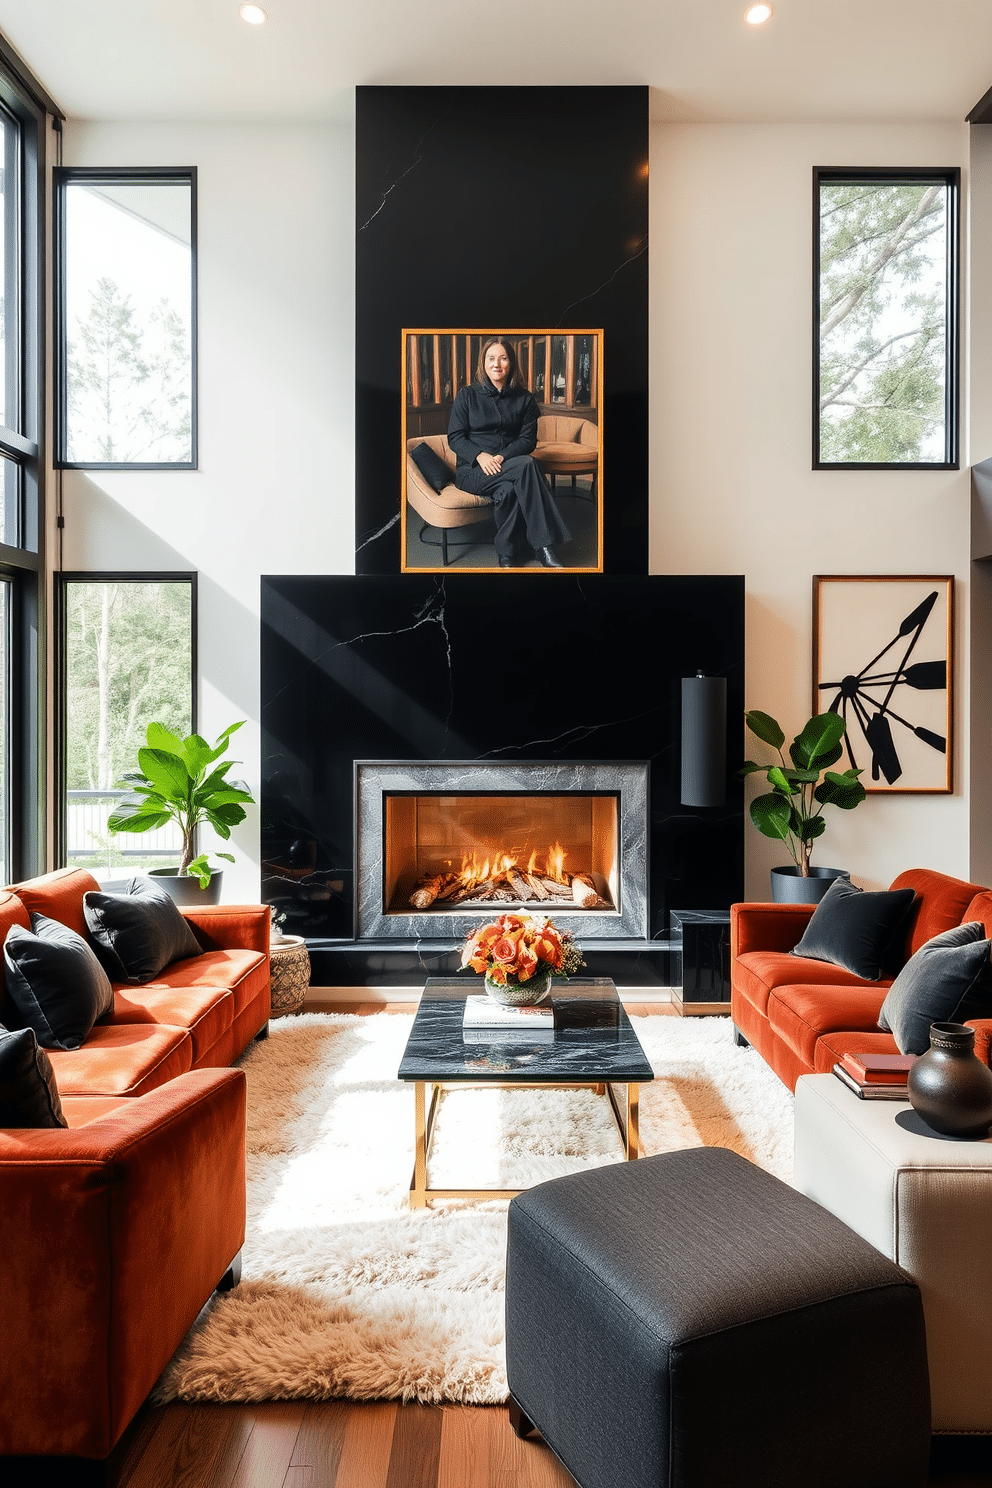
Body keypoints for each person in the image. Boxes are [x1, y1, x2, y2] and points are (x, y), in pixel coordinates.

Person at [447, 336, 570, 568]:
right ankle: (544, 547)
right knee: (528, 465)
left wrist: (502, 457)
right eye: (491, 358)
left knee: (508, 489)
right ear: (483, 363)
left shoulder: (525, 399)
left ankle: (506, 554)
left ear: (511, 363)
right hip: (472, 472)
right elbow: (455, 438)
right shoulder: (467, 396)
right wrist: (480, 456)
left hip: (509, 466)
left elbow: (527, 441)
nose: (497, 364)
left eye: (503, 358)